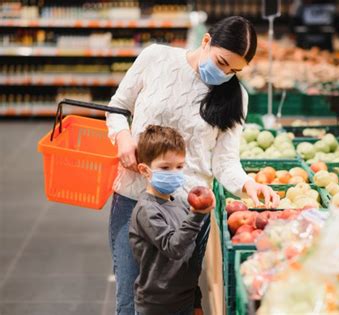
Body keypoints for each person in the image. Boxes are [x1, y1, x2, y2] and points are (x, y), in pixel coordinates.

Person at [106, 16, 280, 315]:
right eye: (222, 62)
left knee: (178, 302)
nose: (225, 74)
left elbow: (224, 161)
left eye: (234, 70)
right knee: (130, 298)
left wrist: (247, 184)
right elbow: (118, 107)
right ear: (206, 41)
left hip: (189, 211)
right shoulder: (155, 57)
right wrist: (123, 138)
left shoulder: (236, 95)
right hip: (134, 198)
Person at [129, 125, 212, 315]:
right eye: (165, 168)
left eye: (179, 167)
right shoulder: (146, 210)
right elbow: (174, 248)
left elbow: (190, 258)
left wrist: (195, 300)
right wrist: (197, 215)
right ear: (145, 170)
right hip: (156, 305)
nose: (174, 173)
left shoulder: (181, 204)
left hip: (184, 300)